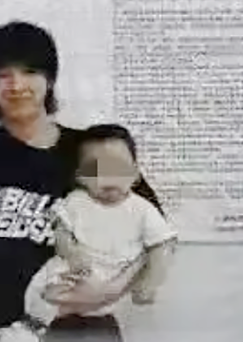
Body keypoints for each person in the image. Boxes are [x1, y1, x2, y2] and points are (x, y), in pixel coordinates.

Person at [0, 21, 165, 342]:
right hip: (0, 330)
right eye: (1, 75)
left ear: (49, 79)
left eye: (29, 71)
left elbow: (156, 236)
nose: (16, 84)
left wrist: (110, 290)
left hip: (86, 329)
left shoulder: (90, 149)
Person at [23, 123, 178, 341]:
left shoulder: (142, 209)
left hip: (108, 287)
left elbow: (162, 244)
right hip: (70, 275)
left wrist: (149, 283)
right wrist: (71, 252)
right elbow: (60, 229)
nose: (108, 178)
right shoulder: (76, 201)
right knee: (42, 291)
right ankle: (35, 324)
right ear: (80, 177)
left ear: (135, 174)